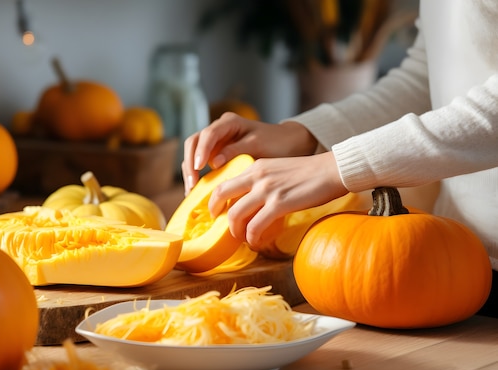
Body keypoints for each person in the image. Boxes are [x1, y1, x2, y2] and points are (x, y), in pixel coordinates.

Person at [181, 0, 498, 318]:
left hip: (463, 270)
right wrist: (302, 134)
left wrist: (336, 166)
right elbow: (424, 76)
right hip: (468, 271)